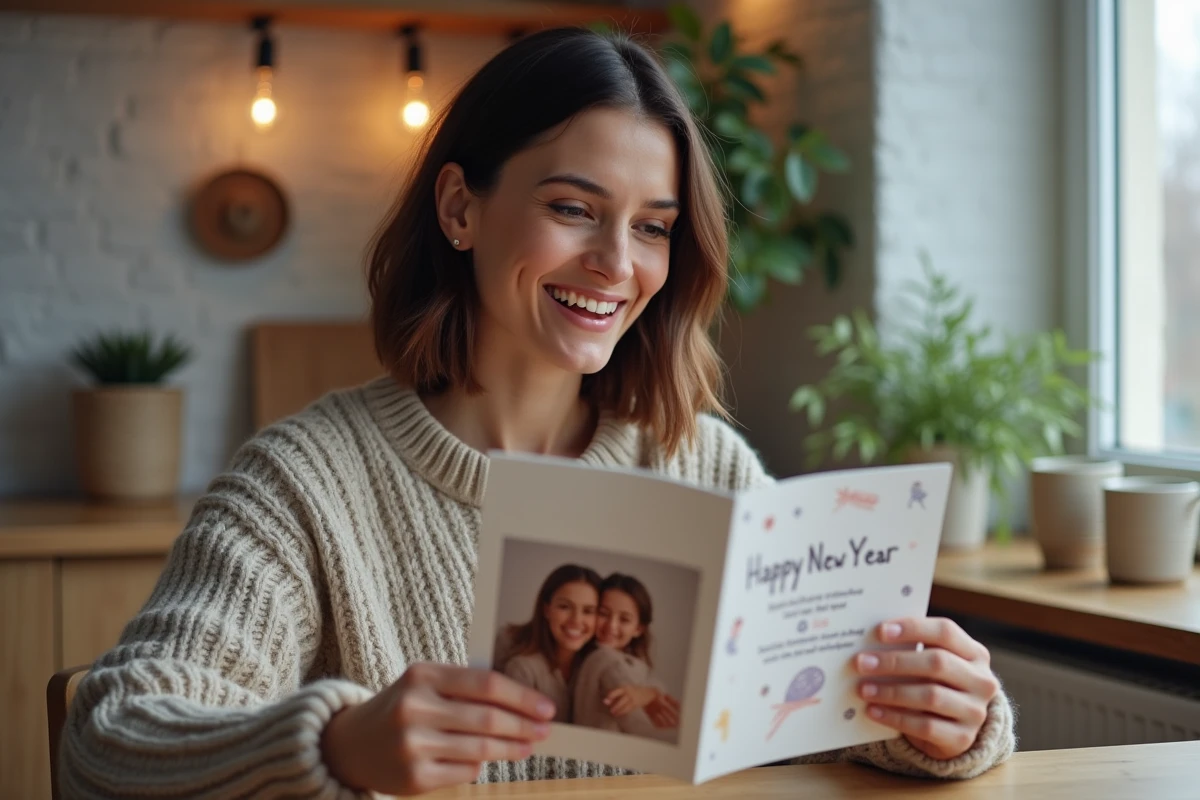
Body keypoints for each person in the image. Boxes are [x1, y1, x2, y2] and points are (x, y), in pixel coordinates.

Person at [59, 26, 1014, 799]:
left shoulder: (709, 466)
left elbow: (824, 716)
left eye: (652, 227)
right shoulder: (304, 485)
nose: (617, 263)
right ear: (460, 209)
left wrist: (946, 718)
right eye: (573, 208)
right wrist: (340, 745)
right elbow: (108, 739)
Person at [572, 573, 682, 741]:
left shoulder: (624, 662)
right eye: (604, 613)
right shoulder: (607, 660)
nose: (611, 625)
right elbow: (641, 730)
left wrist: (651, 693)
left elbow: (651, 683)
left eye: (624, 619)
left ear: (638, 628)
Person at [500, 565, 602, 723]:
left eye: (588, 611)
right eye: (565, 607)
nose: (576, 620)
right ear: (547, 610)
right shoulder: (523, 669)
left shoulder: (599, 666)